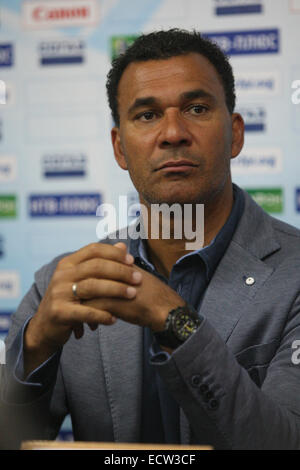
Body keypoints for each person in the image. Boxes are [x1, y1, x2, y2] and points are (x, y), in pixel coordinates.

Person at [2, 29, 300, 450]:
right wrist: (34, 347)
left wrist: (176, 321)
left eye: (196, 108)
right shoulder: (62, 283)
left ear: (235, 134)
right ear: (120, 148)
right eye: (147, 115)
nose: (173, 133)